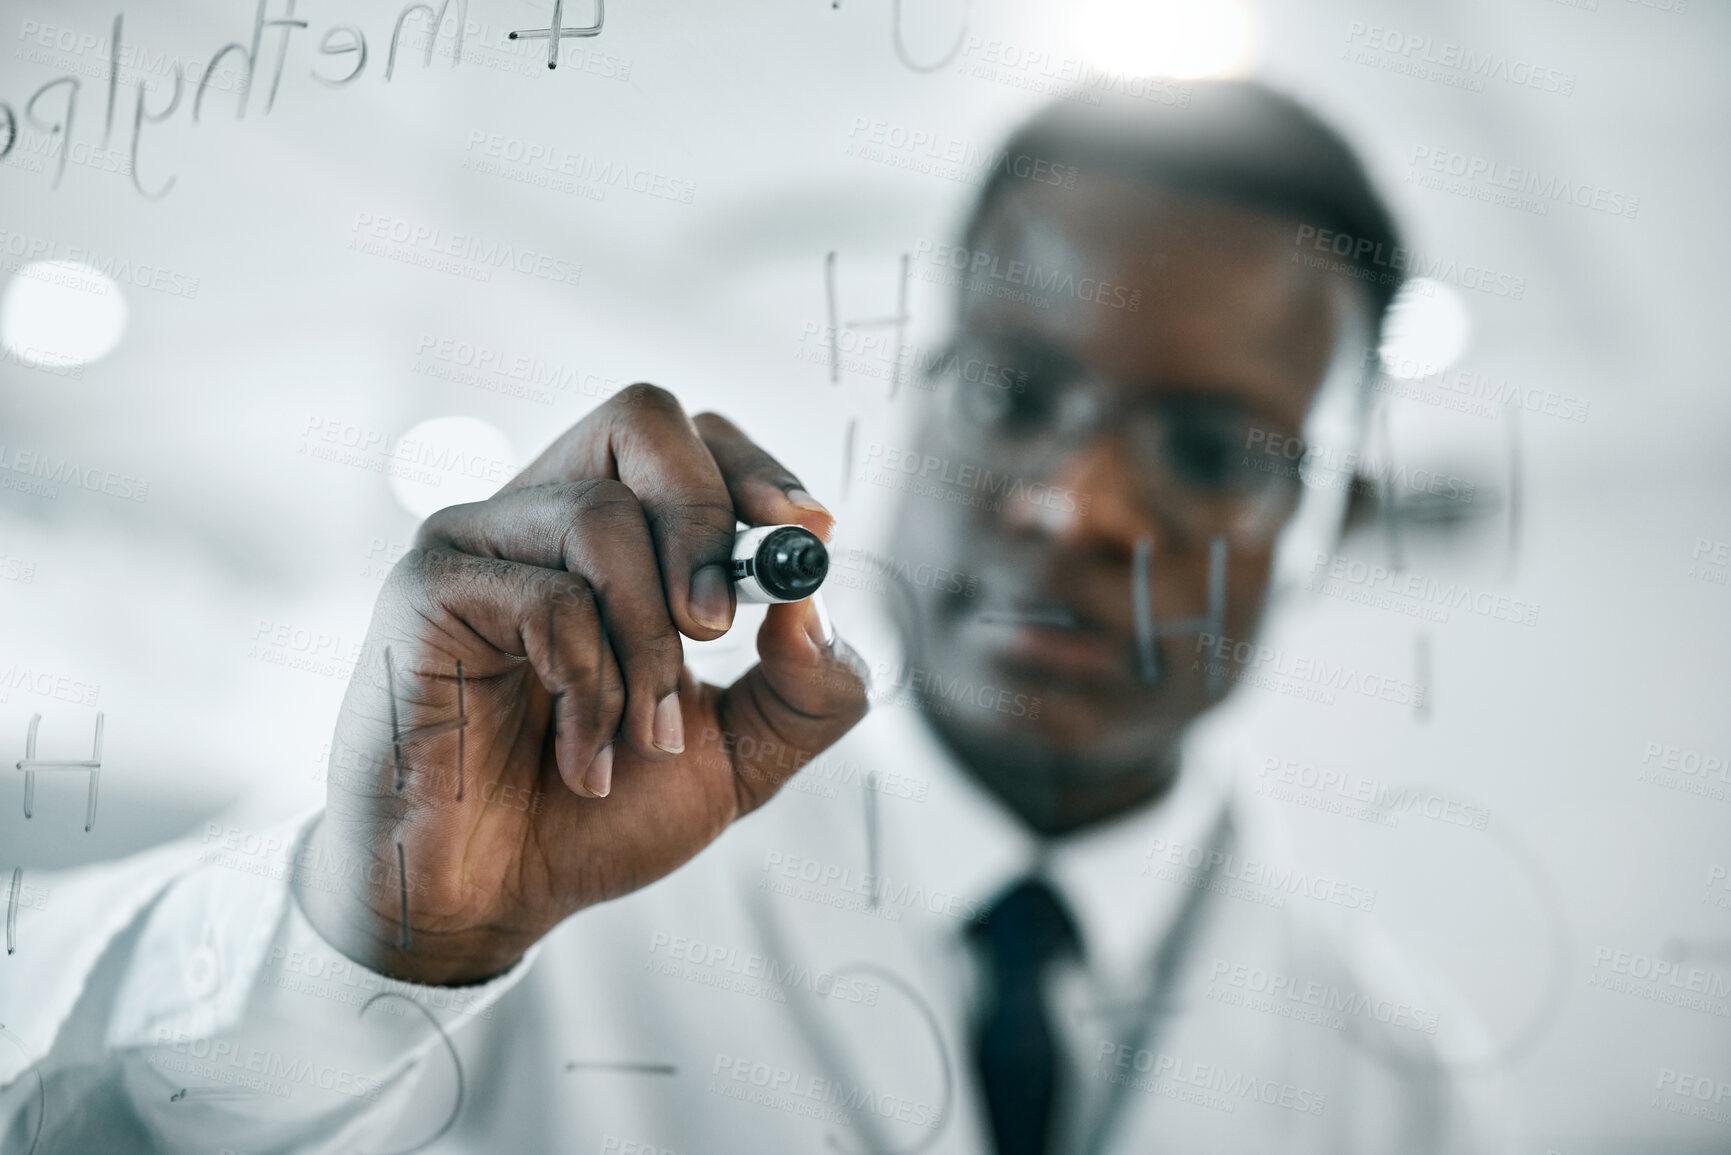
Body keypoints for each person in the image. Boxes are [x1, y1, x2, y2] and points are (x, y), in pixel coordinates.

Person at [1, 81, 1502, 1153]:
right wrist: (366, 944)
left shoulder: (1411, 1097)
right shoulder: (523, 885)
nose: (1074, 509)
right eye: (1015, 394)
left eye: (1216, 450)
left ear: (1339, 521)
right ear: (919, 398)